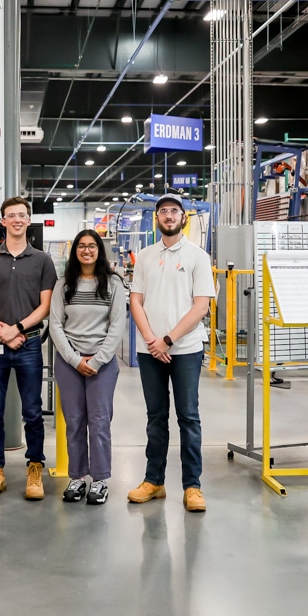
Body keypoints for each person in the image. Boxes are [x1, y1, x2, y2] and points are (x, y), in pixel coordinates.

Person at [127, 194, 215, 511]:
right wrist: (152, 340)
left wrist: (168, 339)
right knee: (156, 418)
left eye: (174, 211)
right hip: (150, 350)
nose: (168, 215)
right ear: (157, 218)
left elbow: (201, 306)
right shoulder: (145, 256)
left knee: (188, 417)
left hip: (186, 350)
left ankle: (193, 487)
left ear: (183, 218)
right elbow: (135, 300)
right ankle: (154, 481)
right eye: (163, 211)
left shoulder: (198, 257)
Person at [0, 196, 57, 500]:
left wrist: (17, 329)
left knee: (32, 411)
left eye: (22, 215)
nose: (17, 220)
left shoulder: (43, 260)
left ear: (28, 221)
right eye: (11, 215)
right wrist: (2, 331)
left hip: (29, 343)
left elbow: (45, 306)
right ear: (3, 221)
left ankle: (35, 467)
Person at [49, 230, 127, 505]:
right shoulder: (63, 285)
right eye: (81, 246)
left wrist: (96, 360)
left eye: (92, 246)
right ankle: (77, 477)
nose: (86, 250)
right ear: (75, 252)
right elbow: (55, 324)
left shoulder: (113, 284)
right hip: (69, 362)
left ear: (99, 250)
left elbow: (117, 326)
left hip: (101, 364)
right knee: (74, 421)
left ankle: (100, 479)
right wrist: (74, 360)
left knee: (99, 421)